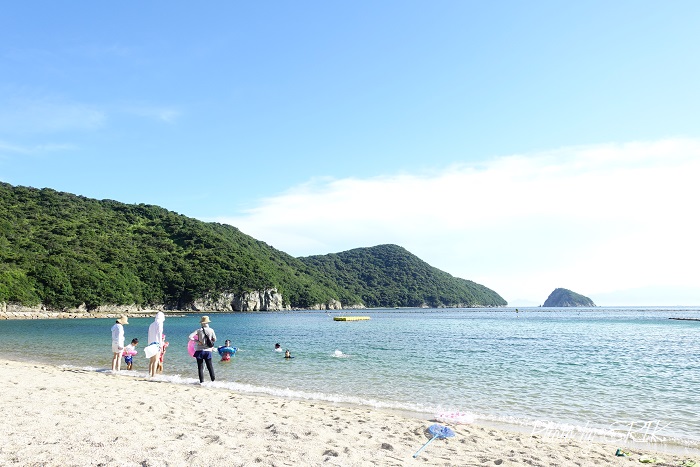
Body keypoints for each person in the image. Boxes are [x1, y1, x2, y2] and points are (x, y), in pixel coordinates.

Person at [189, 316, 217, 383]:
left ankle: (202, 382)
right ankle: (213, 381)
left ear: (202, 323)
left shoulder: (199, 330)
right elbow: (215, 339)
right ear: (208, 322)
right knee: (210, 367)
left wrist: (197, 341)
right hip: (208, 351)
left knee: (200, 368)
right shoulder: (211, 330)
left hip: (199, 351)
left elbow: (190, 337)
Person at [147, 312, 165, 377]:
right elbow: (159, 335)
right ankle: (153, 375)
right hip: (157, 344)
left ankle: (149, 374)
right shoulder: (160, 324)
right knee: (156, 360)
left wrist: (148, 344)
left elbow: (149, 335)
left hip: (150, 344)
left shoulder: (151, 324)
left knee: (151, 361)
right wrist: (161, 345)